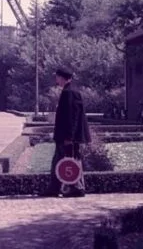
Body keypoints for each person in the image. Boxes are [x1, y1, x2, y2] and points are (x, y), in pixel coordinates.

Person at [47, 66, 90, 197]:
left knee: (64, 160)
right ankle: (73, 187)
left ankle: (72, 188)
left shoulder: (68, 93)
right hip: (70, 135)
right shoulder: (72, 91)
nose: (56, 79)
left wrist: (69, 136)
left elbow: (72, 116)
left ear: (62, 77)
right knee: (71, 159)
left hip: (67, 136)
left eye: (57, 77)